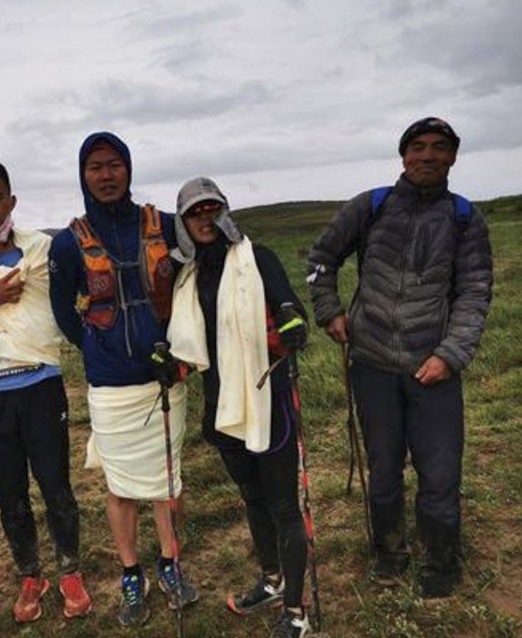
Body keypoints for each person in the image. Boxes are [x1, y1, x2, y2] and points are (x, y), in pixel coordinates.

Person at [306, 117, 493, 598]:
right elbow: (322, 259)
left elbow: (474, 293)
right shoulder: (370, 206)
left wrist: (451, 355)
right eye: (418, 147)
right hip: (370, 365)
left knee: (440, 470)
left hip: (433, 371)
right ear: (403, 155)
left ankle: (440, 559)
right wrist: (329, 312)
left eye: (439, 148)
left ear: (453, 157)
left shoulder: (465, 219)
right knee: (384, 467)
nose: (427, 155)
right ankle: (389, 551)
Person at [48, 131, 199, 627]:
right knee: (121, 487)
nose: (106, 175)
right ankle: (131, 571)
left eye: (114, 164)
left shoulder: (166, 224)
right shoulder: (69, 242)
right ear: (83, 175)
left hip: (164, 375)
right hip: (111, 383)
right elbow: (63, 313)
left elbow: (202, 269)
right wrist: (98, 346)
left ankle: (171, 563)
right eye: (95, 167)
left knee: (168, 481)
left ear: (128, 169)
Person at [163, 177, 314, 638]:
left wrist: (291, 321)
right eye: (195, 212)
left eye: (213, 208)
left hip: (269, 399)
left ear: (225, 211)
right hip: (221, 404)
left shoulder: (257, 258)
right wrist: (166, 358)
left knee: (284, 505)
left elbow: (290, 307)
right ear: (184, 222)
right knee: (253, 498)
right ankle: (272, 581)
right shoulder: (185, 276)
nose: (206, 218)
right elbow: (184, 338)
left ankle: (296, 612)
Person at [0, 156, 91, 623]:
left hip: (41, 386)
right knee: (10, 496)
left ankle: (70, 569)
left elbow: (68, 296)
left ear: (12, 199)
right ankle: (31, 573)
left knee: (56, 487)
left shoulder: (43, 250)